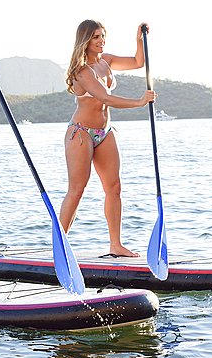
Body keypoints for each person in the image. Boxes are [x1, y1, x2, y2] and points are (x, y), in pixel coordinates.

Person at [60, 20, 156, 257]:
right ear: (85, 40)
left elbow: (137, 62)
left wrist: (139, 40)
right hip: (81, 133)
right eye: (95, 37)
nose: (101, 40)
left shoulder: (107, 61)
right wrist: (139, 102)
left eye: (102, 36)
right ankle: (59, 244)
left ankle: (116, 244)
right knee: (77, 189)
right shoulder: (81, 71)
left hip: (105, 133)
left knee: (114, 188)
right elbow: (106, 98)